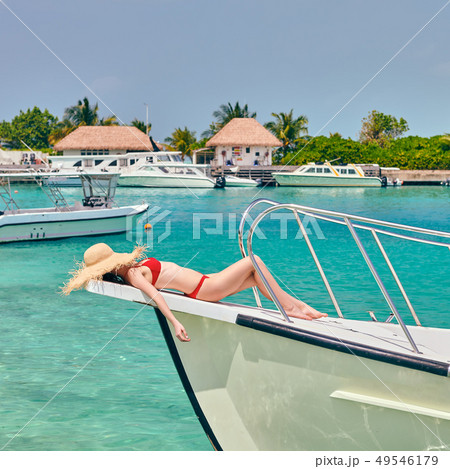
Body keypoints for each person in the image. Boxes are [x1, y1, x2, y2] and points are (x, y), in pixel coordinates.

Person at [62, 243, 327, 343]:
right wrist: (176, 322)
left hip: (206, 282)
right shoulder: (131, 275)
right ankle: (295, 308)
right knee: (252, 260)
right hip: (204, 289)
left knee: (258, 278)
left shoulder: (131, 270)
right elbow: (157, 296)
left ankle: (300, 308)